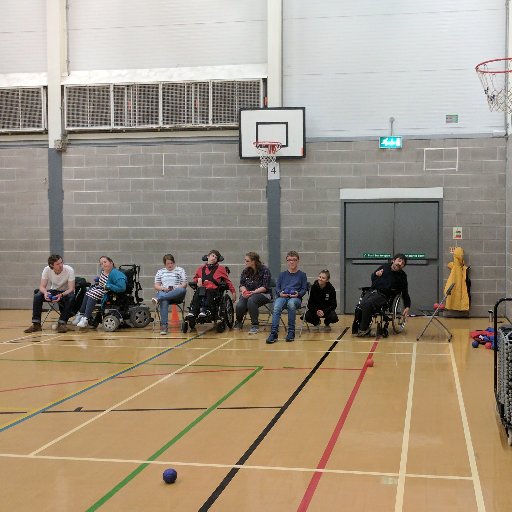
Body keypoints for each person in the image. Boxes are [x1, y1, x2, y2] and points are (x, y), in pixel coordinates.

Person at [354, 253, 411, 337]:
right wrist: (376, 275)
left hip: (385, 296)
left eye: (402, 264)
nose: (400, 264)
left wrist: (407, 306)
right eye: (399, 261)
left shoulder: (402, 276)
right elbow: (373, 278)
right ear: (393, 260)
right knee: (359, 307)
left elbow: (405, 293)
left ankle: (363, 330)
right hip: (372, 291)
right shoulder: (384, 267)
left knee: (367, 305)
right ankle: (357, 328)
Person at [24, 254, 76, 334]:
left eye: (61, 262)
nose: (61, 265)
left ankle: (62, 323)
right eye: (58, 264)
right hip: (54, 290)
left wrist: (61, 295)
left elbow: (71, 289)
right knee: (38, 295)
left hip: (65, 292)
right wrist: (45, 293)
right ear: (52, 265)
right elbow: (42, 286)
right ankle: (36, 324)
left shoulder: (69, 270)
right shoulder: (47, 270)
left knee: (71, 296)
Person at [72, 256, 127, 329]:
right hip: (102, 289)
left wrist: (109, 286)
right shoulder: (103, 271)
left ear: (111, 263)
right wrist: (99, 280)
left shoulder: (116, 273)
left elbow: (122, 288)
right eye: (101, 263)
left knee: (92, 293)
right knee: (88, 291)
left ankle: (85, 318)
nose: (103, 264)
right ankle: (81, 314)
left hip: (110, 293)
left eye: (105, 262)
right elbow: (103, 282)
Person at [266, 251, 308, 344]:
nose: (291, 262)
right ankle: (274, 333)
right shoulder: (282, 274)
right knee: (276, 306)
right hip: (283, 296)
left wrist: (298, 294)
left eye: (294, 260)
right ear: (286, 261)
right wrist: (280, 293)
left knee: (291, 304)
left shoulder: (302, 275)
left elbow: (304, 289)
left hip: (295, 298)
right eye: (289, 260)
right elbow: (277, 287)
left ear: (298, 261)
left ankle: (291, 331)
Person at [186, 250, 236, 320]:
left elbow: (228, 281)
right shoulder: (200, 268)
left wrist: (233, 292)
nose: (214, 258)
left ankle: (205, 310)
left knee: (209, 290)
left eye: (216, 257)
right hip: (202, 289)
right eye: (213, 256)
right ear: (208, 257)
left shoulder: (221, 269)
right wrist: (198, 280)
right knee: (199, 290)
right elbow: (195, 278)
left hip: (214, 290)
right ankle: (193, 311)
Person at [233, 252, 272, 335]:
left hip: (263, 293)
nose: (245, 262)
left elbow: (265, 287)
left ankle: (255, 325)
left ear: (253, 261)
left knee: (251, 300)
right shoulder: (245, 271)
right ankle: (239, 321)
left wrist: (253, 292)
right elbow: (241, 285)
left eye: (247, 261)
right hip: (249, 293)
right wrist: (244, 291)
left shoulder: (265, 270)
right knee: (240, 305)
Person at [153, 254, 188, 335]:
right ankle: (164, 326)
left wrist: (176, 288)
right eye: (168, 264)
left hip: (177, 294)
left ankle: (159, 298)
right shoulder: (160, 271)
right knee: (164, 300)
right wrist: (163, 289)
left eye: (171, 263)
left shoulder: (180, 270)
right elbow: (156, 286)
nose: (170, 265)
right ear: (165, 264)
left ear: (174, 263)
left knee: (182, 290)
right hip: (165, 291)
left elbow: (184, 284)